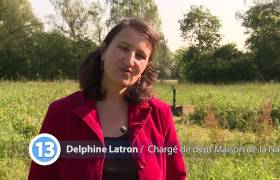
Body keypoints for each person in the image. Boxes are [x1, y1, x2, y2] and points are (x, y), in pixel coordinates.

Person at [28, 17, 187, 180]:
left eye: (140, 55)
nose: (130, 60)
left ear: (146, 65)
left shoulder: (160, 114)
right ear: (104, 50)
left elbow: (176, 176)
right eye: (124, 48)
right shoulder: (61, 112)